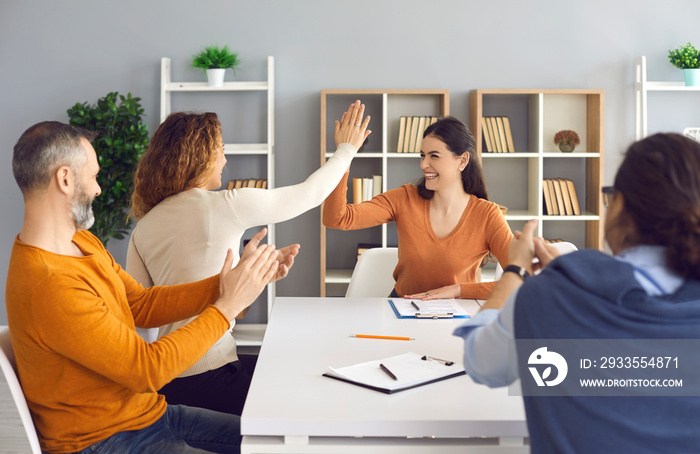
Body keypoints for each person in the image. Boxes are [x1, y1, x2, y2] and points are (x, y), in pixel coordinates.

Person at [6, 121, 296, 453]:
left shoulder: (81, 242)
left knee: (278, 443)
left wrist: (227, 284)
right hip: (104, 440)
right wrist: (226, 307)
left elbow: (141, 304)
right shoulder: (49, 283)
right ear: (65, 179)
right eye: (94, 176)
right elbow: (147, 369)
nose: (99, 189)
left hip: (148, 416)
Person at [454, 133, 700, 453]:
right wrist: (574, 271)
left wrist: (516, 270)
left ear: (620, 204)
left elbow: (481, 363)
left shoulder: (550, 298)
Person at [127, 101, 371, 415]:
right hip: (211, 376)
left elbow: (142, 318)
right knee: (315, 391)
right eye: (222, 150)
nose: (225, 160)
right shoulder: (226, 204)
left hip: (169, 382)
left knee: (294, 371)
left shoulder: (144, 226)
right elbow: (310, 194)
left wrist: (252, 275)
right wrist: (347, 149)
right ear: (203, 155)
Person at [323, 116, 512, 300]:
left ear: (462, 161)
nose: (423, 164)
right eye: (422, 155)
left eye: (434, 156)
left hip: (455, 316)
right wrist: (344, 155)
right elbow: (337, 218)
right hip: (401, 312)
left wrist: (459, 290)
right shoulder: (404, 199)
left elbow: (521, 280)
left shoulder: (487, 215)